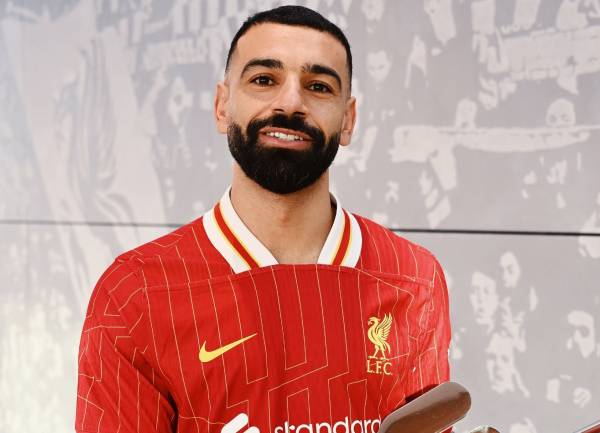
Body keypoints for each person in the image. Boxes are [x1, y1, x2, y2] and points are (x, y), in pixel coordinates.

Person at [75, 5, 451, 433]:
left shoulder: (413, 277)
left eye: (318, 86)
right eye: (264, 80)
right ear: (222, 106)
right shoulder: (135, 292)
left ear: (348, 121)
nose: (290, 102)